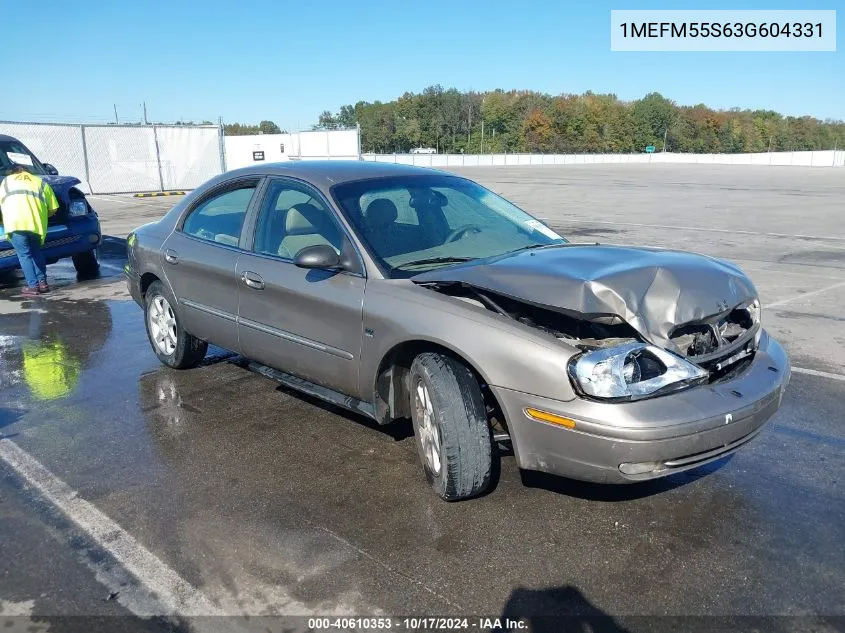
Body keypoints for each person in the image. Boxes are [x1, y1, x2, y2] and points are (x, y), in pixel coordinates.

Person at [0, 163, 59, 295]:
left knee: (24, 255)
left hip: (15, 224)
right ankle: (43, 283)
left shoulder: (6, 182)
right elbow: (53, 208)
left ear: (13, 172)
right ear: (28, 172)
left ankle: (33, 286)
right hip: (36, 225)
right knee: (36, 252)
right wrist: (43, 215)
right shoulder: (40, 182)